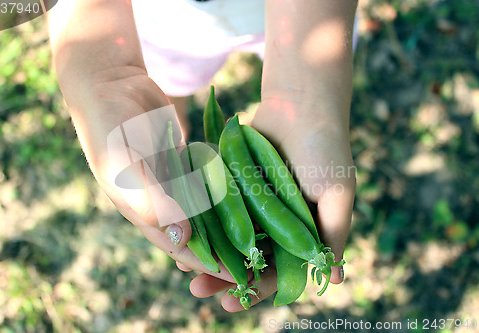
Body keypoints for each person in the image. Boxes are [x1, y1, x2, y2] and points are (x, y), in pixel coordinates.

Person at [47, 0, 357, 312]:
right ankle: (176, 130)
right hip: (160, 22)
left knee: (167, 123)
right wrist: (103, 73)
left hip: (306, 20)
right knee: (162, 104)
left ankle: (177, 135)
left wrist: (309, 92)